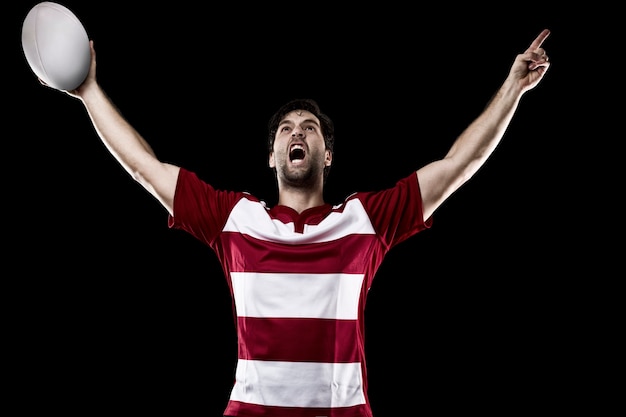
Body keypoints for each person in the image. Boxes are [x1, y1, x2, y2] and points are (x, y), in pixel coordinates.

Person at [38, 28, 551, 417]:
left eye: (308, 127)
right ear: (272, 156)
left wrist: (513, 89)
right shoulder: (232, 218)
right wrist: (89, 92)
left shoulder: (366, 220)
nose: (295, 133)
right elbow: (142, 165)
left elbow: (456, 163)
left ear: (327, 156)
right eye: (285, 128)